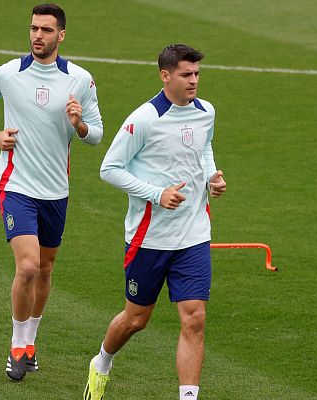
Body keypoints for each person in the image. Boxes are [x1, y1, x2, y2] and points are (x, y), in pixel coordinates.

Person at [0, 3, 103, 381]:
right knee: (27, 266)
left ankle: (30, 343)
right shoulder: (9, 73)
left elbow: (96, 135)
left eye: (46, 30)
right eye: (33, 29)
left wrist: (78, 124)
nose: (37, 36)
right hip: (16, 185)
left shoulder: (80, 80)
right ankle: (15, 346)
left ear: (61, 35)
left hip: (55, 190)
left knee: (44, 270)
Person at [84, 44, 226, 400]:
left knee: (194, 319)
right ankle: (102, 362)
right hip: (149, 239)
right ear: (165, 75)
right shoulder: (144, 119)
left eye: (197, 74)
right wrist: (156, 193)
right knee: (136, 320)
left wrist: (211, 176)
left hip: (194, 234)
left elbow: (204, 147)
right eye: (186, 74)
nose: (194, 81)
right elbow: (109, 170)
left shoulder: (205, 112)